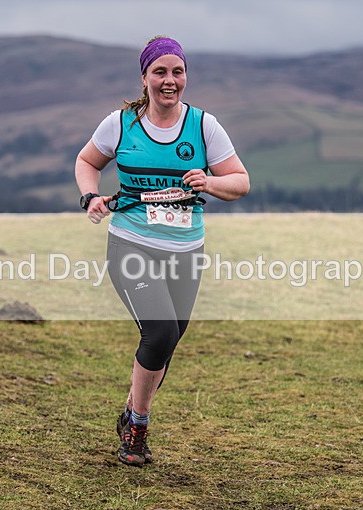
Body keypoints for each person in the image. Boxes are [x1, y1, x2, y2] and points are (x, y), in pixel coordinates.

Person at [75, 36, 249, 467]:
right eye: (160, 72)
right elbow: (87, 161)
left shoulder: (205, 126)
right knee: (160, 334)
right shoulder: (120, 124)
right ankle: (137, 428)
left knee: (165, 346)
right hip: (131, 243)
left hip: (186, 251)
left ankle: (132, 412)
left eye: (177, 72)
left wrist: (209, 182)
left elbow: (240, 182)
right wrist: (90, 196)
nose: (169, 81)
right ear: (145, 78)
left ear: (185, 77)